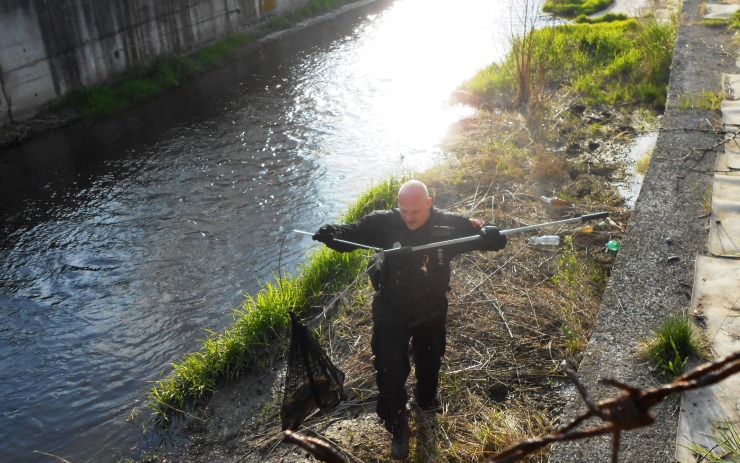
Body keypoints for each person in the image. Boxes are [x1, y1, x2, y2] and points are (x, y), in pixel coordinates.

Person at [312, 179, 507, 460]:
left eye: (415, 211)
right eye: (404, 211)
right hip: (391, 308)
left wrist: (491, 234)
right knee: (389, 368)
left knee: (430, 359)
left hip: (431, 308)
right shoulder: (382, 223)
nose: (409, 217)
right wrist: (333, 234)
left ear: (429, 203)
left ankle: (426, 400)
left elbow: (490, 238)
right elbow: (349, 235)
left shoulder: (449, 225)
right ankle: (398, 421)